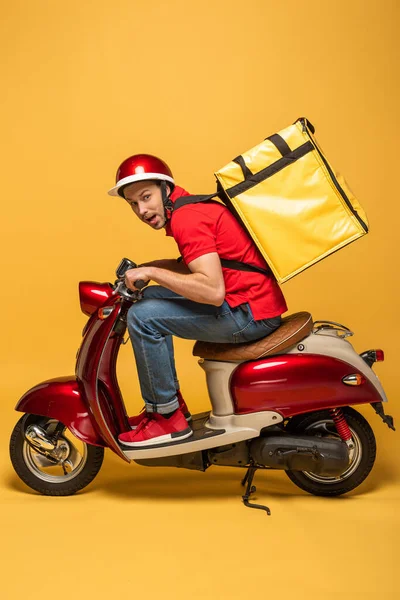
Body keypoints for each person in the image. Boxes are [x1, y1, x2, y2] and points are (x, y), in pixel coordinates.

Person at [108, 154, 288, 448]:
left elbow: (212, 291)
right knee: (148, 297)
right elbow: (201, 266)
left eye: (146, 196)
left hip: (248, 314)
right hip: (250, 303)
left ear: (165, 188)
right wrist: (151, 268)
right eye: (133, 204)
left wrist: (153, 271)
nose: (142, 210)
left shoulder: (187, 219)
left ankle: (166, 417)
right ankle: (168, 403)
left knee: (142, 316)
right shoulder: (189, 209)